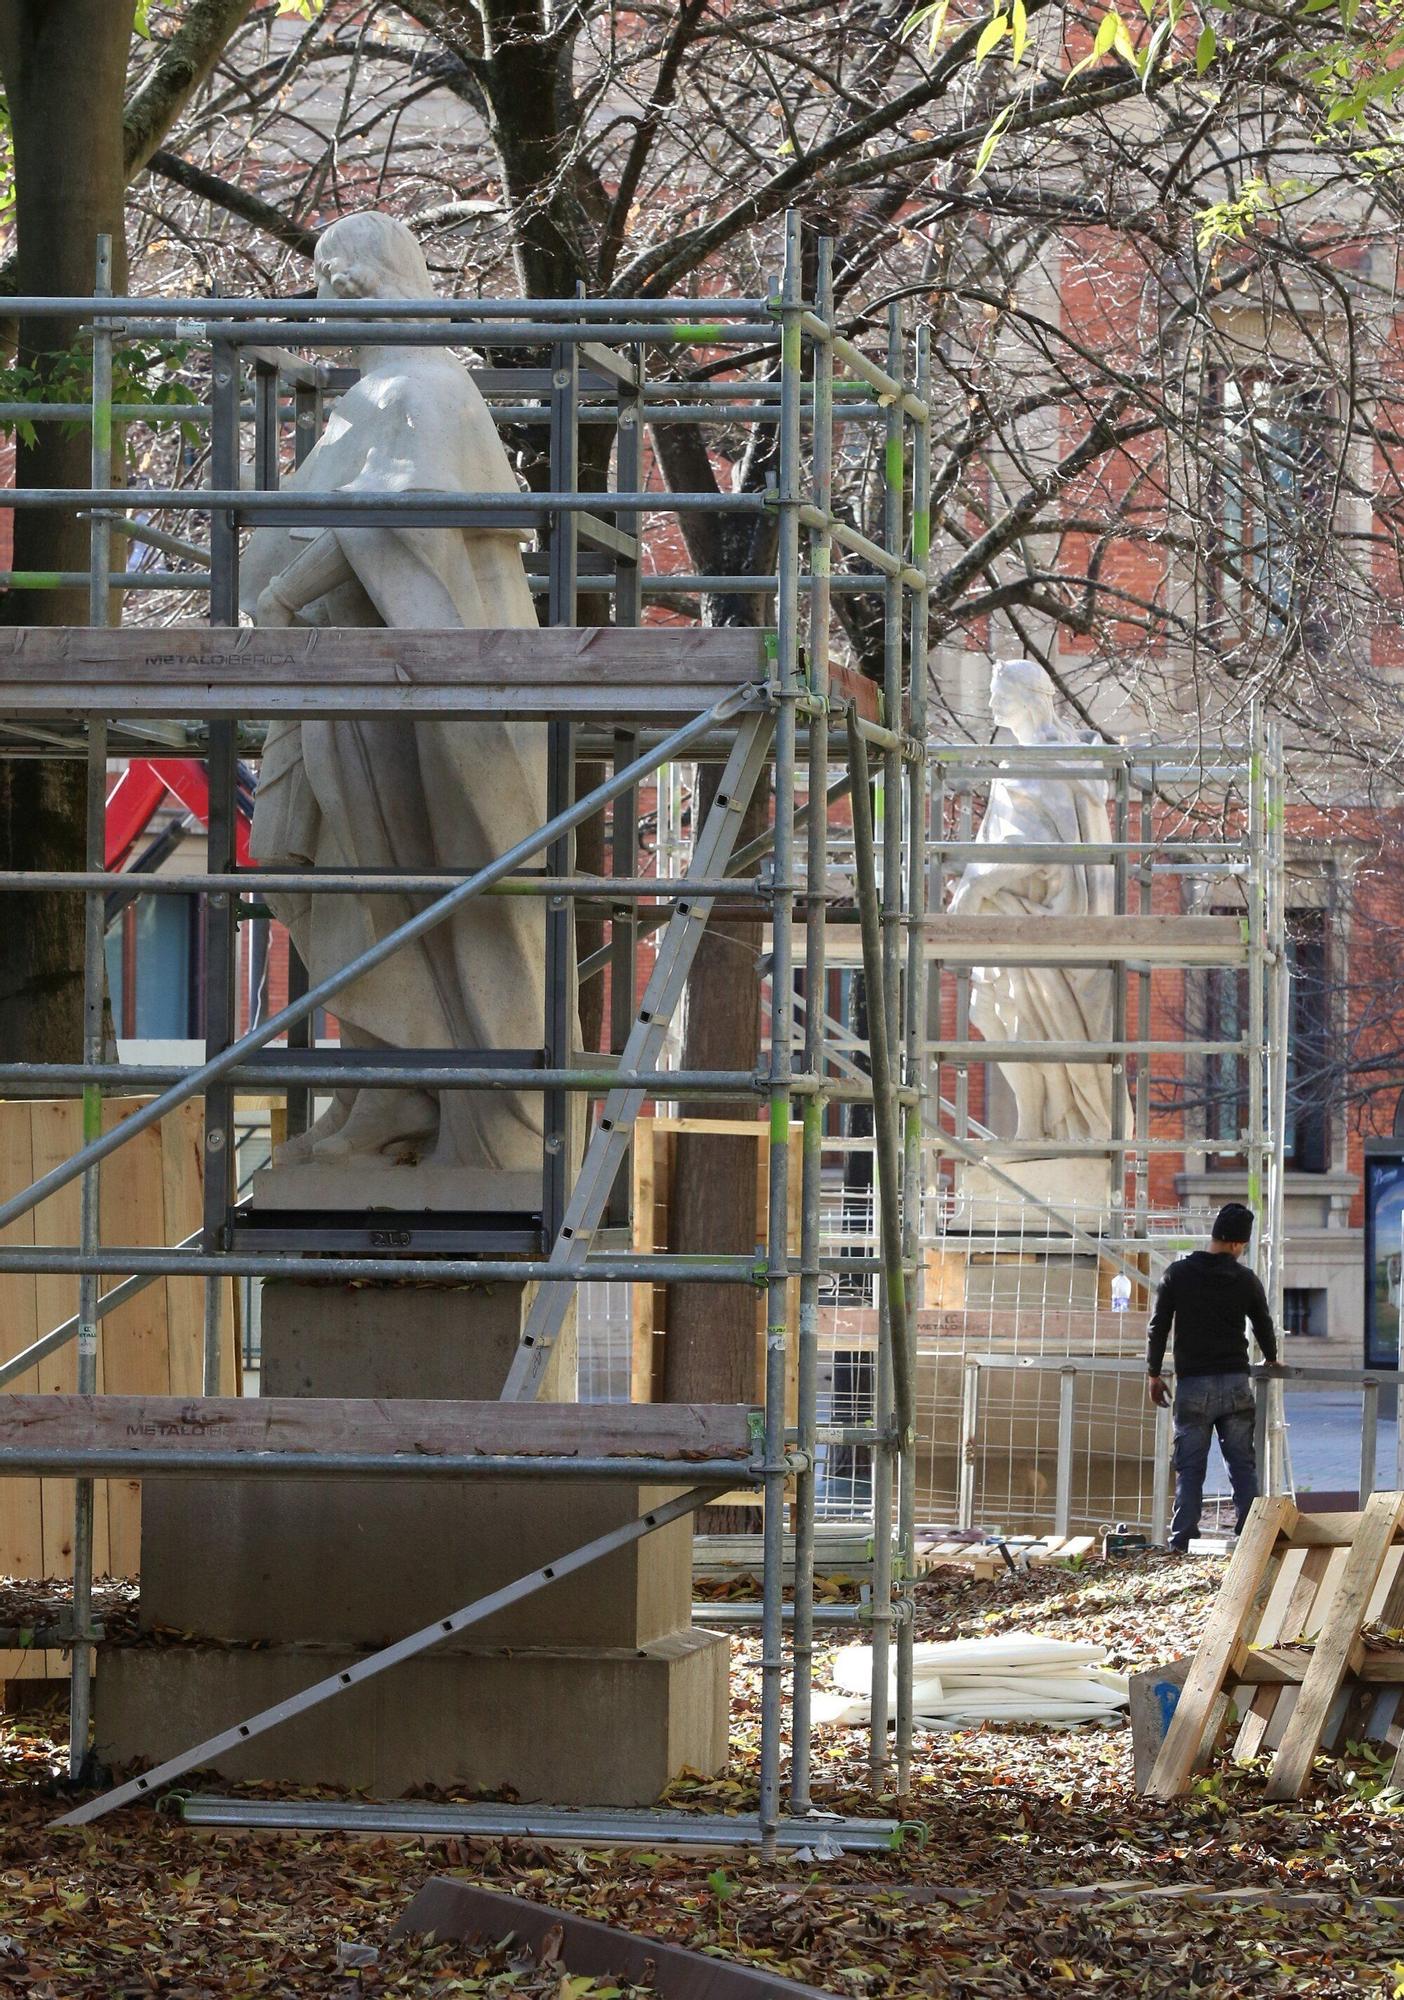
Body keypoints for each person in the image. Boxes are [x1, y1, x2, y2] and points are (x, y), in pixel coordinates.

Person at [1146, 1202, 1281, 1553]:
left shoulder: (1177, 1274)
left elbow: (1158, 1327)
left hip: (1193, 1386)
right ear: (1237, 1244)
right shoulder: (1245, 1279)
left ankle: (1182, 1541)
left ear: (1215, 1236)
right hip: (1236, 1383)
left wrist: (1153, 1373)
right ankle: (1251, 1538)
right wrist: (1271, 1356)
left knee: (1190, 1468)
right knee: (1242, 1465)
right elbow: (1263, 1323)